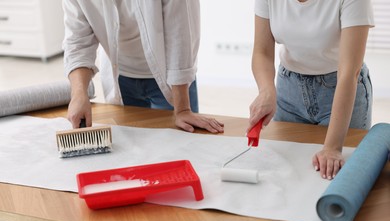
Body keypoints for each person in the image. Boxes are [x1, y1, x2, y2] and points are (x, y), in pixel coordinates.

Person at [250, 0, 374, 180]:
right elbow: (262, 51)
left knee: (340, 176)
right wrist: (266, 90)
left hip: (341, 89)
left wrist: (332, 147)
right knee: (288, 171)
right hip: (288, 89)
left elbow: (349, 73)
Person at [62, 0, 224, 134]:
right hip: (122, 77)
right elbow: (77, 40)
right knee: (133, 150)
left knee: (181, 145)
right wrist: (79, 94)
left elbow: (179, 30)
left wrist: (182, 109)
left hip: (171, 80)